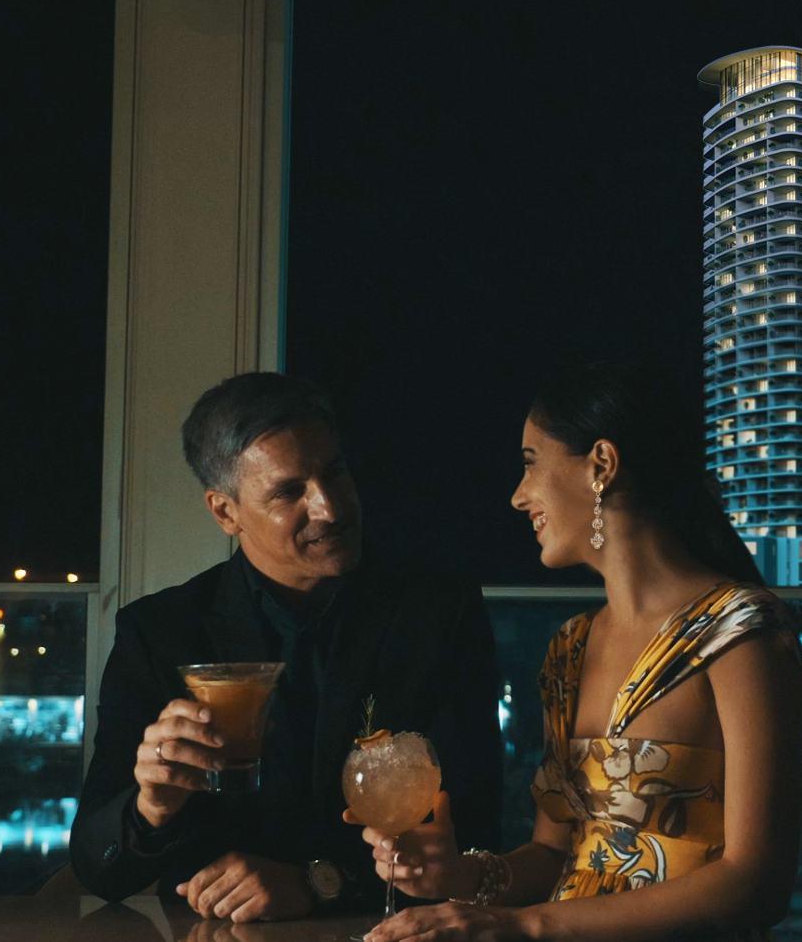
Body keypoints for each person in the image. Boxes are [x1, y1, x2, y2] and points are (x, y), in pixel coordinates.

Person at [355, 361, 802, 942]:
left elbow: (757, 883)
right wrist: (456, 875)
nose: (518, 496)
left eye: (530, 464)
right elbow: (555, 855)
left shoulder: (740, 633)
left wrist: (524, 926)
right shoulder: (570, 648)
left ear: (601, 465)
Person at [70, 373, 503, 921]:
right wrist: (150, 807)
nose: (330, 508)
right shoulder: (158, 633)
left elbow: (477, 831)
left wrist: (321, 884)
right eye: (289, 492)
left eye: (335, 472)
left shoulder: (437, 613)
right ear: (225, 512)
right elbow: (99, 870)